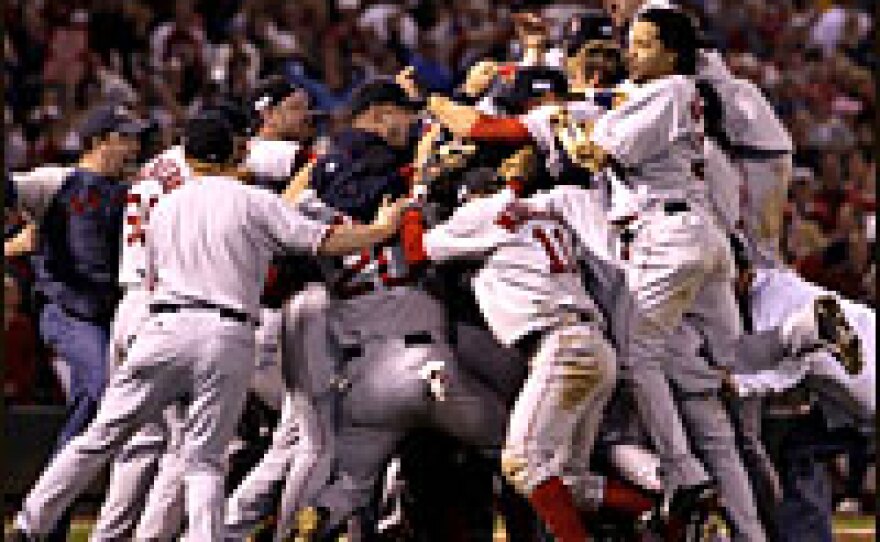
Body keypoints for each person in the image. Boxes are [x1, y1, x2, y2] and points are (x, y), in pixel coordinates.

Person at [7, 108, 409, 541]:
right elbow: (325, 241)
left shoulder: (166, 204)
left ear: (191, 155)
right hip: (226, 331)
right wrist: (381, 230)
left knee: (103, 435)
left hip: (160, 322)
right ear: (233, 151)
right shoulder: (254, 201)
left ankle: (32, 522)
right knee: (204, 459)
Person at [5, 103, 147, 541]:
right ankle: (44, 518)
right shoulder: (56, 180)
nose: (134, 146)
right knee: (101, 393)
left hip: (112, 318)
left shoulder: (133, 191)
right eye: (125, 137)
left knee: (107, 408)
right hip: (66, 313)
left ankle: (51, 516)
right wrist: (12, 246)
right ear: (97, 141)